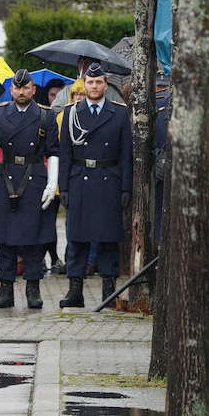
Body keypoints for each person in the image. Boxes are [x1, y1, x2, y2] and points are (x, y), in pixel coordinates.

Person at [0, 69, 59, 309]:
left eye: (26, 88)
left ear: (33, 90)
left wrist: (53, 182)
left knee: (34, 239)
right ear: (11, 90)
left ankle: (33, 288)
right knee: (5, 238)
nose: (21, 92)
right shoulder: (0, 112)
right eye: (17, 88)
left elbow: (54, 152)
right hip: (7, 177)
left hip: (35, 177)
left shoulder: (46, 116)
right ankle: (5, 288)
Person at [59, 62, 132, 307]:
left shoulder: (119, 113)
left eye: (99, 82)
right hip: (80, 178)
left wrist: (125, 188)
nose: (94, 86)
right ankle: (75, 291)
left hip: (108, 179)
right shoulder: (71, 113)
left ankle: (108, 292)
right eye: (90, 82)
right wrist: (64, 187)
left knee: (108, 239)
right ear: (84, 84)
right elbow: (65, 153)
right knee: (76, 238)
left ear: (105, 85)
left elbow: (126, 155)